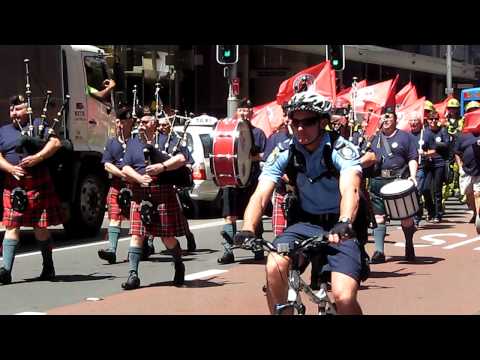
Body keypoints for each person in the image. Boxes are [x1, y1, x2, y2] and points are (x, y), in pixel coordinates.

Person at [234, 90, 365, 315]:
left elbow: (350, 187)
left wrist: (344, 222)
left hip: (340, 226)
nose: (300, 129)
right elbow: (261, 194)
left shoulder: (340, 148)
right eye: (295, 122)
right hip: (305, 223)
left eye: (308, 122)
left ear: (323, 122)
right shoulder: (285, 150)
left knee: (344, 298)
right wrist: (248, 229)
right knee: (274, 263)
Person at [0, 95, 64, 284]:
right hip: (14, 185)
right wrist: (10, 168)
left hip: (37, 182)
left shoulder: (39, 125)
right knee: (11, 227)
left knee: (40, 228)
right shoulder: (3, 131)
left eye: (18, 109)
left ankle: (48, 267)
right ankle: (6, 270)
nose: (14, 113)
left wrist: (39, 157)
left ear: (27, 110)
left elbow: (56, 143)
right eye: (11, 110)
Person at [120, 113, 188, 289]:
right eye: (139, 122)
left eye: (145, 122)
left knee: (167, 238)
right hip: (140, 191)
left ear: (154, 123)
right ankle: (133, 275)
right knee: (137, 234)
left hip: (162, 191)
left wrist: (162, 167)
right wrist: (139, 178)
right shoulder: (133, 143)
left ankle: (178, 264)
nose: (141, 125)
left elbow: (181, 159)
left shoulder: (166, 140)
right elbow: (126, 166)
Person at [217, 99, 267, 264]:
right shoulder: (229, 132)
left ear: (252, 113)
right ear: (236, 112)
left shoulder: (258, 133)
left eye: (247, 110)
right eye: (241, 110)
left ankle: (257, 246)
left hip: (251, 178)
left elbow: (264, 155)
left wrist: (247, 156)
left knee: (253, 213)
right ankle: (228, 250)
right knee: (229, 215)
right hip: (231, 179)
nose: (244, 113)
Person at [368, 106, 418, 264]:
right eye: (384, 117)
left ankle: (409, 244)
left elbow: (412, 157)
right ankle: (379, 251)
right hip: (378, 181)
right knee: (378, 217)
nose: (386, 119)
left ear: (396, 119)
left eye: (389, 116)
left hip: (398, 181)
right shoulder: (374, 138)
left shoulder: (406, 137)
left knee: (406, 217)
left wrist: (413, 176)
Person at [97, 106, 137, 264]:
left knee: (136, 220)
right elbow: (106, 164)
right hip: (118, 185)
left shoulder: (136, 141)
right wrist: (122, 174)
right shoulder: (112, 142)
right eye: (118, 121)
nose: (120, 124)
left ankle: (138, 249)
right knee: (114, 217)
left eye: (124, 121)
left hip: (136, 185)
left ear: (130, 122)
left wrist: (133, 176)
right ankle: (112, 251)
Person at [156, 115, 197, 252]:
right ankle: (147, 245)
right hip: (158, 182)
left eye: (164, 125)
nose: (161, 128)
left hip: (175, 182)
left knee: (179, 214)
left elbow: (188, 161)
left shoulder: (177, 141)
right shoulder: (155, 141)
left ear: (170, 126)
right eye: (159, 125)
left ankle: (188, 236)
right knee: (153, 214)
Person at [421, 111, 450, 223]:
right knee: (425, 189)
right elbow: (421, 145)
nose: (433, 121)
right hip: (427, 164)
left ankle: (438, 214)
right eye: (431, 119)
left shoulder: (442, 131)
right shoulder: (425, 132)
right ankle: (430, 210)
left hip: (439, 163)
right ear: (427, 120)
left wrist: (434, 145)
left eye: (435, 119)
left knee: (437, 190)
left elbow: (446, 144)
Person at [455, 101, 480, 230]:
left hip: (479, 170)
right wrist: (460, 166)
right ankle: (475, 211)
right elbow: (457, 152)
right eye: (471, 110)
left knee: (477, 193)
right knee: (468, 193)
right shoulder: (462, 135)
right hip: (466, 170)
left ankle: (478, 216)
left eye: (476, 110)